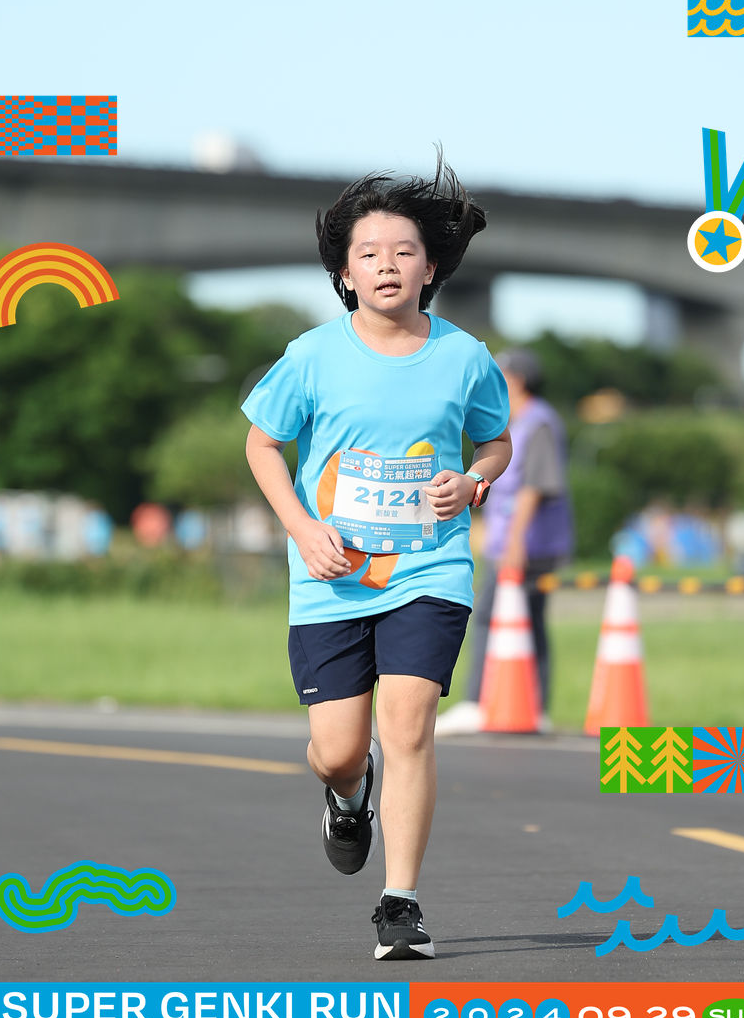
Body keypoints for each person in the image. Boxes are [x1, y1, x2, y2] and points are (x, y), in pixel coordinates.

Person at [243, 156, 511, 961]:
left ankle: (401, 903)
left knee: (408, 725)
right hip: (331, 576)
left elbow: (495, 441)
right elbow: (262, 445)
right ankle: (346, 793)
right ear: (344, 274)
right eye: (368, 254)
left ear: (429, 269)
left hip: (429, 571)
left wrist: (473, 480)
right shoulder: (311, 355)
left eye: (403, 252)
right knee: (336, 750)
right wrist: (302, 529)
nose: (386, 264)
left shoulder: (464, 356)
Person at [436, 347, 573, 735]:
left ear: (518, 381)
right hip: (517, 542)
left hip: (528, 546)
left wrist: (514, 540)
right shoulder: (521, 422)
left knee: (492, 617)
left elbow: (533, 487)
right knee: (526, 622)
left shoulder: (538, 423)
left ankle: (479, 701)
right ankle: (533, 707)